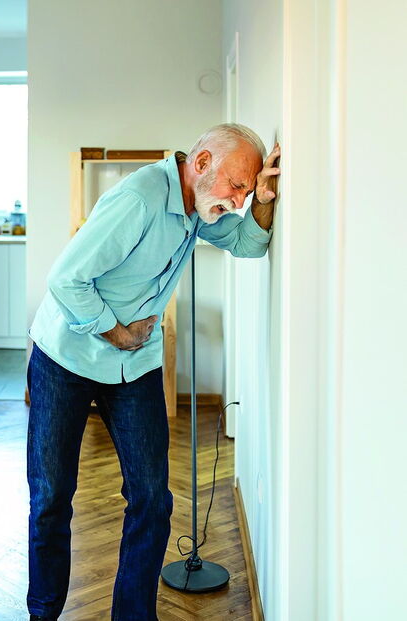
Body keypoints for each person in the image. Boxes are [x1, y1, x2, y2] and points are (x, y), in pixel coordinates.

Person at [26, 124, 281, 621]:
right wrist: (114, 330)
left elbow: (250, 245)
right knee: (51, 497)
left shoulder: (200, 205)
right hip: (68, 356)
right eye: (237, 186)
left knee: (152, 499)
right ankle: (43, 613)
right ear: (202, 163)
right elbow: (64, 278)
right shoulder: (141, 199)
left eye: (246, 190)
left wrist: (265, 198)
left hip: (134, 365)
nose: (238, 199)